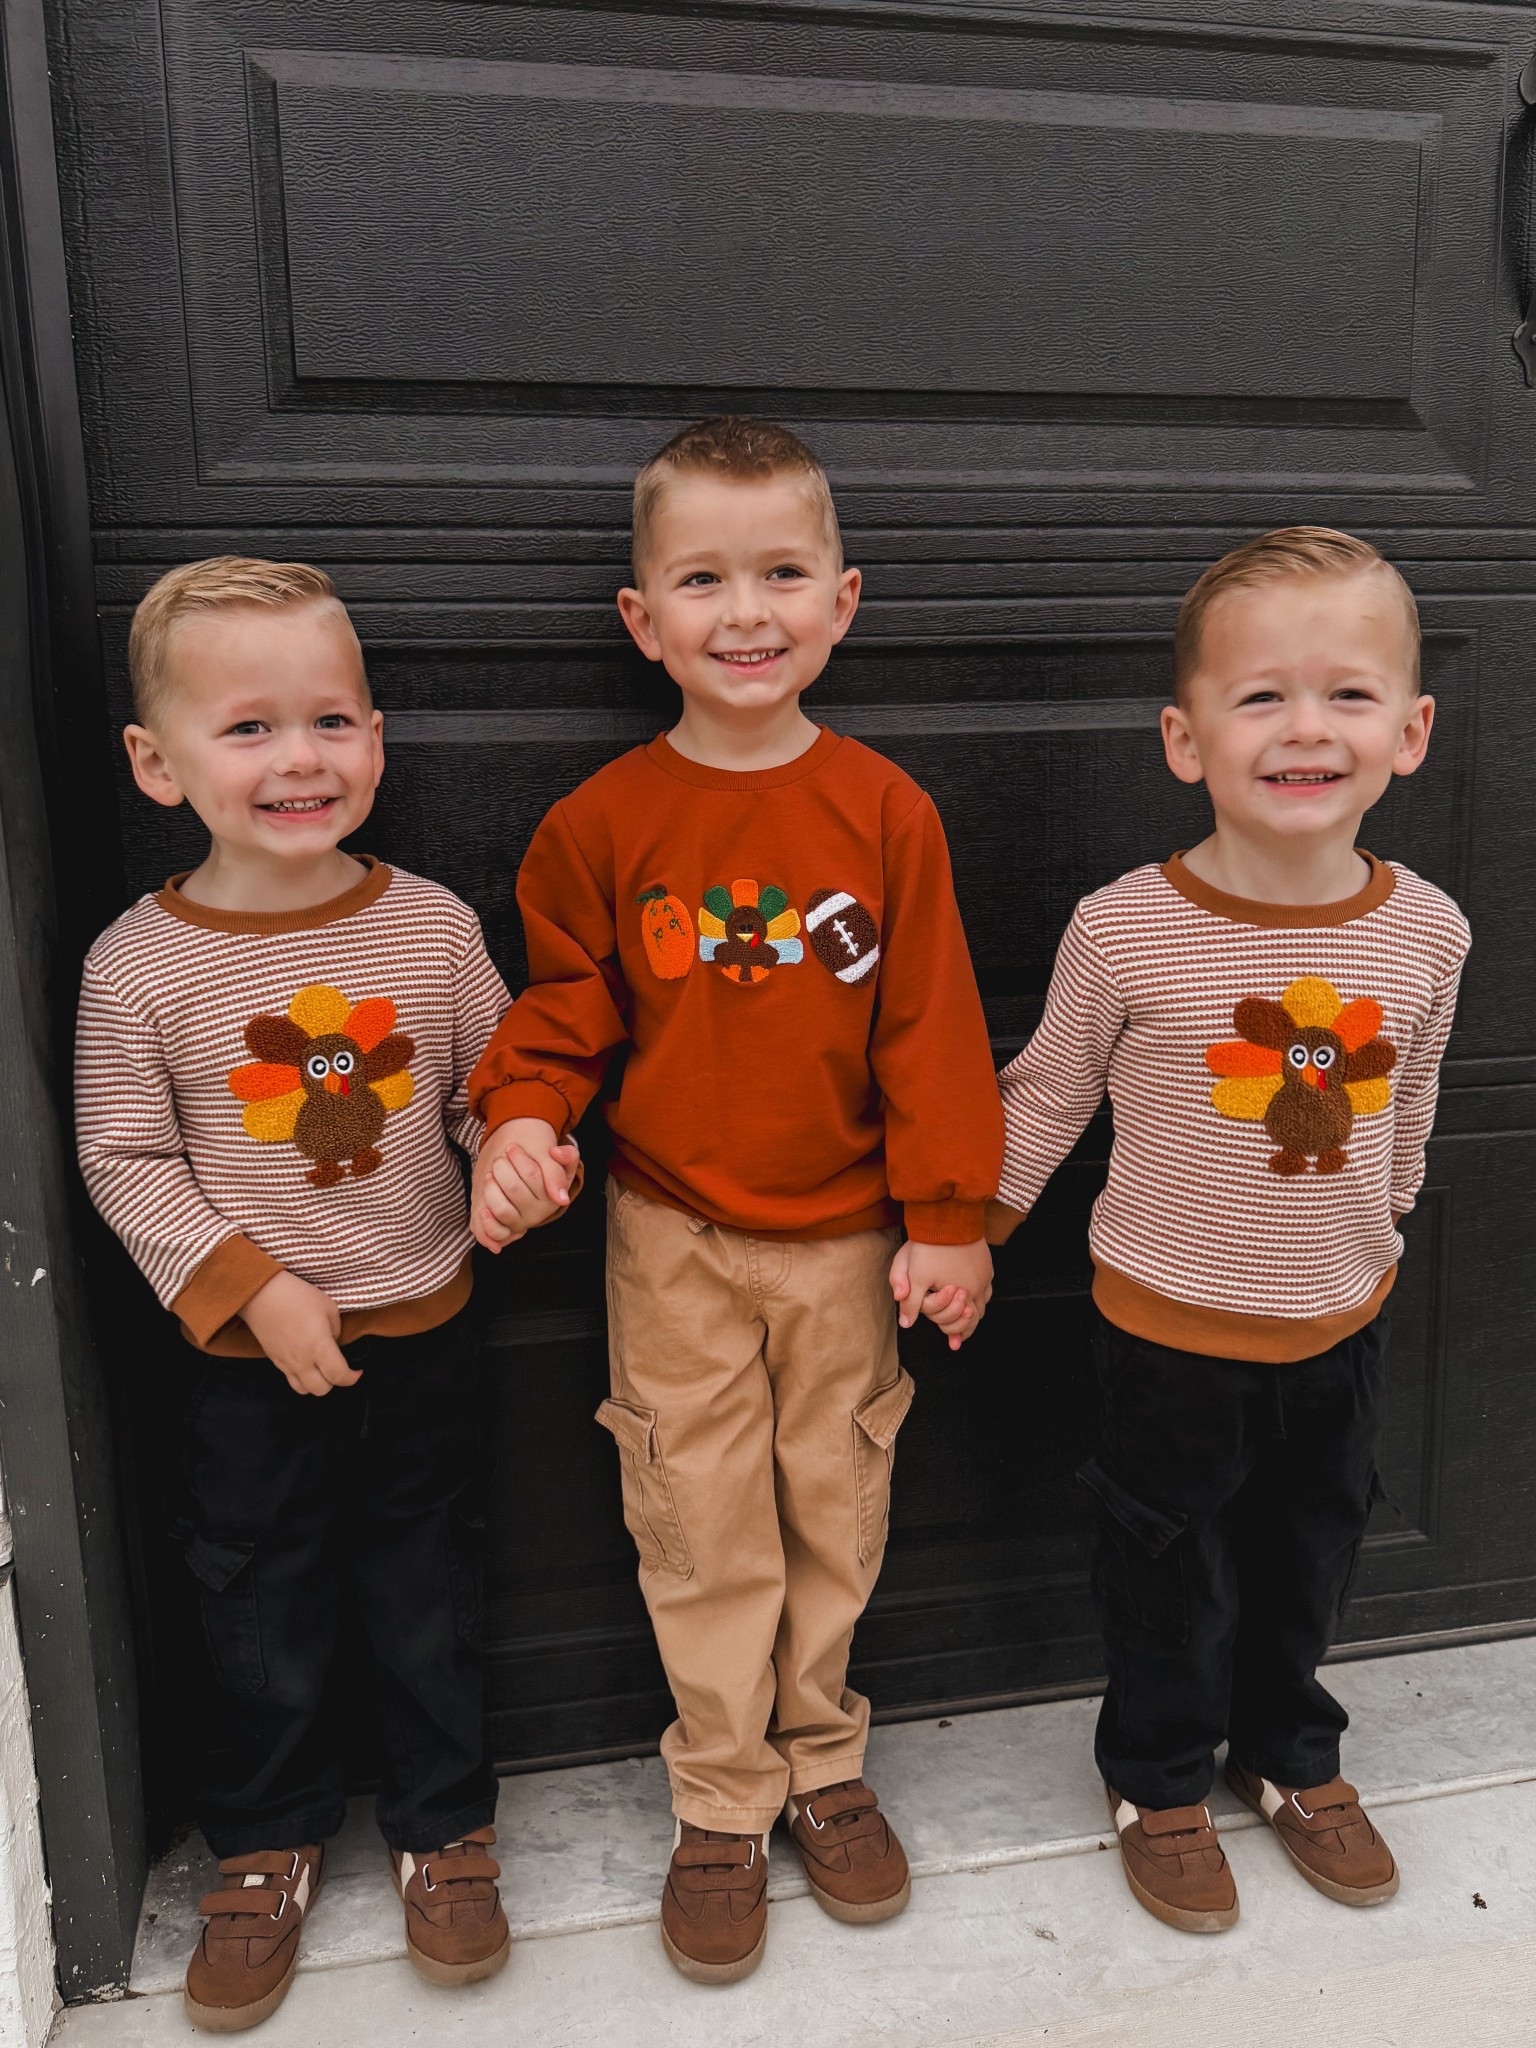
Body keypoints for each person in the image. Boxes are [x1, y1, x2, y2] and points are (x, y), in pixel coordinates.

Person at [466, 417, 1003, 1981]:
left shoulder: (887, 811)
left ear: (845, 601)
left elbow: (935, 1029)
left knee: (833, 1500)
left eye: (782, 573)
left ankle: (825, 1765)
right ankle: (720, 1793)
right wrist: (517, 1124)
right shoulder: (603, 826)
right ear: (643, 621)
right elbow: (562, 1014)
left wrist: (950, 1214)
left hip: (846, 1237)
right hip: (669, 1235)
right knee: (698, 1521)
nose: (746, 611)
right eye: (703, 577)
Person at [74, 558, 575, 2029]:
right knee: (257, 1600)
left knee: (427, 1586)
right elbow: (125, 1154)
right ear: (158, 767)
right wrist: (251, 1288)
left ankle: (443, 1824)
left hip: (422, 1324)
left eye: (332, 722)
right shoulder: (138, 967)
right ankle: (266, 1839)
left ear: (374, 734)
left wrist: (518, 1151)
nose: (300, 760)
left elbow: (496, 1087)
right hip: (244, 1361)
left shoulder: (424, 926)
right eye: (249, 731)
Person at [989, 527, 1469, 1933]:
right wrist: (968, 1232)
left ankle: (1288, 1750)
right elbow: (1045, 1100)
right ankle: (1157, 1776)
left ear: (1413, 731)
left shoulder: (1426, 928)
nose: (1306, 728)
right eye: (1260, 697)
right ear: (1184, 739)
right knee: (1169, 1563)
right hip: (1167, 1331)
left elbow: (1415, 1096)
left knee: (1312, 1546)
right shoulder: (1126, 929)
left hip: (1340, 1315)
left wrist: (1385, 1218)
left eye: (1347, 694)